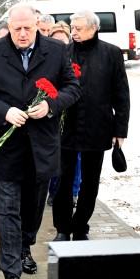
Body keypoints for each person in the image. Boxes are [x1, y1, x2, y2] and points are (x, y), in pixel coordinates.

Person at [0, 2, 80, 279]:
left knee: (32, 208)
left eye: (27, 28)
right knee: (8, 210)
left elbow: (73, 86)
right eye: (17, 28)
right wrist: (4, 111)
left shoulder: (56, 51)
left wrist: (50, 105)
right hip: (5, 147)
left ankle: (25, 246)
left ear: (36, 25)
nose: (22, 34)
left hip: (41, 146)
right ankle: (11, 274)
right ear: (9, 26)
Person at [52, 9, 130, 242]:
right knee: (63, 179)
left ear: (93, 28)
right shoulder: (63, 53)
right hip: (67, 127)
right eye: (72, 28)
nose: (73, 32)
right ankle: (63, 228)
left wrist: (120, 130)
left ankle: (81, 226)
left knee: (90, 181)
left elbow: (121, 94)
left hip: (98, 127)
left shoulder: (111, 53)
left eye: (78, 28)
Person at [45, 21, 81, 207]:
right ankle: (53, 191)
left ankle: (73, 192)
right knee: (53, 155)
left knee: (75, 159)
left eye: (63, 41)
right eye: (56, 40)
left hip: (71, 115)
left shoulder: (73, 59)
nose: (60, 45)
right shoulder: (46, 60)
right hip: (52, 115)